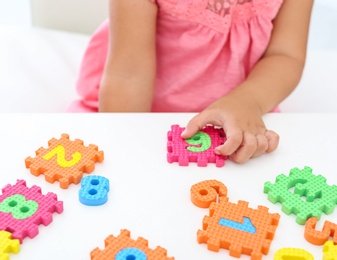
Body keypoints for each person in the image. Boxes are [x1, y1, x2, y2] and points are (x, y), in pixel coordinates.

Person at [68, 0, 313, 164]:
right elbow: (127, 75)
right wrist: (125, 149)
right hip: (138, 108)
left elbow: (285, 55)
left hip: (244, 108)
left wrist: (248, 101)